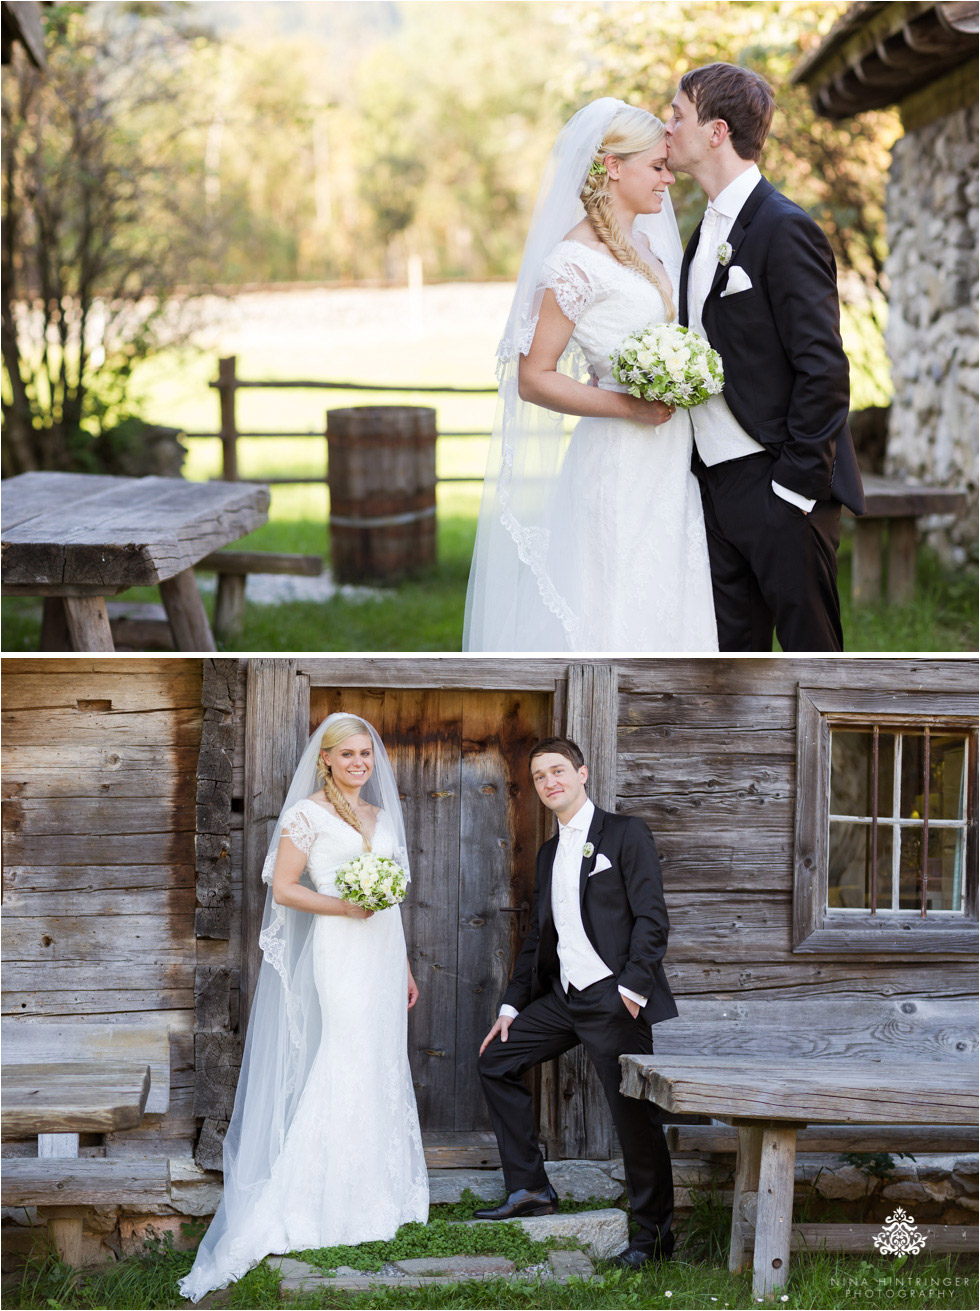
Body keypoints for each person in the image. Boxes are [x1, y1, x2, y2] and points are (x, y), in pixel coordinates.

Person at [178, 714, 428, 1302]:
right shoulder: (307, 814)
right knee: (345, 1056)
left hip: (381, 952)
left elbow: (391, 900)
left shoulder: (381, 816)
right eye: (348, 756)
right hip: (339, 950)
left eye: (366, 754)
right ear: (327, 761)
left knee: (381, 1062)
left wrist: (406, 967)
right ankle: (321, 1202)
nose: (359, 764)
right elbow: (284, 887)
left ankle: (381, 1194)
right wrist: (344, 908)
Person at [463, 98, 718, 652]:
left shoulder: (648, 246)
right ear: (611, 166)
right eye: (656, 167)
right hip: (619, 459)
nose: (668, 180)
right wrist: (629, 406)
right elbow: (534, 377)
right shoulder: (572, 262)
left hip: (670, 455)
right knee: (618, 606)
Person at [665, 62, 866, 652]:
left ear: (716, 131)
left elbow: (824, 368)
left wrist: (794, 489)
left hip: (780, 485)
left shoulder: (785, 228)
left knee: (814, 664)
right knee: (732, 669)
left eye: (677, 115)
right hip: (714, 488)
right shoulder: (703, 232)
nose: (666, 127)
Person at [476, 737, 677, 1269]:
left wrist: (630, 994)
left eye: (558, 771)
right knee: (496, 1059)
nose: (549, 783)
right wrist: (511, 1008)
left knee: (635, 1120)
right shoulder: (547, 854)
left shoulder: (625, 833)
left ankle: (653, 1240)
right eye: (540, 776)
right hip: (565, 998)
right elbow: (540, 940)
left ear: (583, 773)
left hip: (614, 999)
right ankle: (530, 1191)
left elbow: (653, 921)